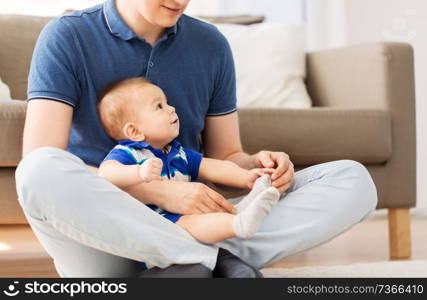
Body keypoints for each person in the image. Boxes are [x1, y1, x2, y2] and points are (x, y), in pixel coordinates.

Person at [15, 0, 378, 278]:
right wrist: (154, 190)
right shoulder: (68, 36)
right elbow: (41, 156)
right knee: (37, 170)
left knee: (351, 179)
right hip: (102, 232)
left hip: (192, 221)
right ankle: (214, 262)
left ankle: (186, 266)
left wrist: (258, 166)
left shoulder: (210, 44)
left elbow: (227, 155)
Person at [97, 77, 281, 250]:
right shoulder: (131, 154)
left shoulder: (178, 153)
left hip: (185, 218)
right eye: (159, 106)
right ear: (135, 131)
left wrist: (248, 177)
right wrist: (138, 172)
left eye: (167, 102)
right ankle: (238, 223)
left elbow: (215, 167)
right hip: (157, 228)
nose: (171, 108)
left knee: (204, 217)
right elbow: (105, 174)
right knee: (191, 223)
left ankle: (241, 214)